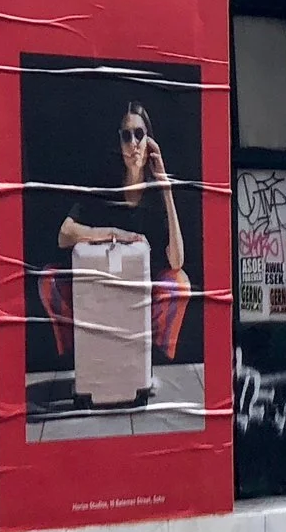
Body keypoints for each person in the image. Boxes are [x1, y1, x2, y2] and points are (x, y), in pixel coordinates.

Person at [37, 101, 193, 363]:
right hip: (101, 287)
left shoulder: (156, 195)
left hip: (142, 291)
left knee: (180, 284)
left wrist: (166, 188)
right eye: (126, 135)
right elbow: (64, 234)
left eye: (139, 134)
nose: (133, 143)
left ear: (149, 141)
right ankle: (76, 359)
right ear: (119, 143)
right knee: (49, 279)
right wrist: (114, 233)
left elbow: (177, 261)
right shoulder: (105, 182)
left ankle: (151, 362)